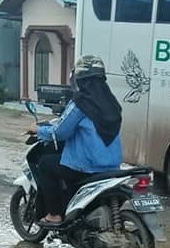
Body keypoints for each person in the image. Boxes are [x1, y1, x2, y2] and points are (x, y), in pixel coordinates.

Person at [28, 55, 123, 226]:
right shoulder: (111, 103)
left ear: (80, 80)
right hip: (112, 166)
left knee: (45, 164)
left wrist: (38, 129)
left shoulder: (81, 103)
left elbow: (61, 132)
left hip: (87, 166)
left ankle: (54, 214)